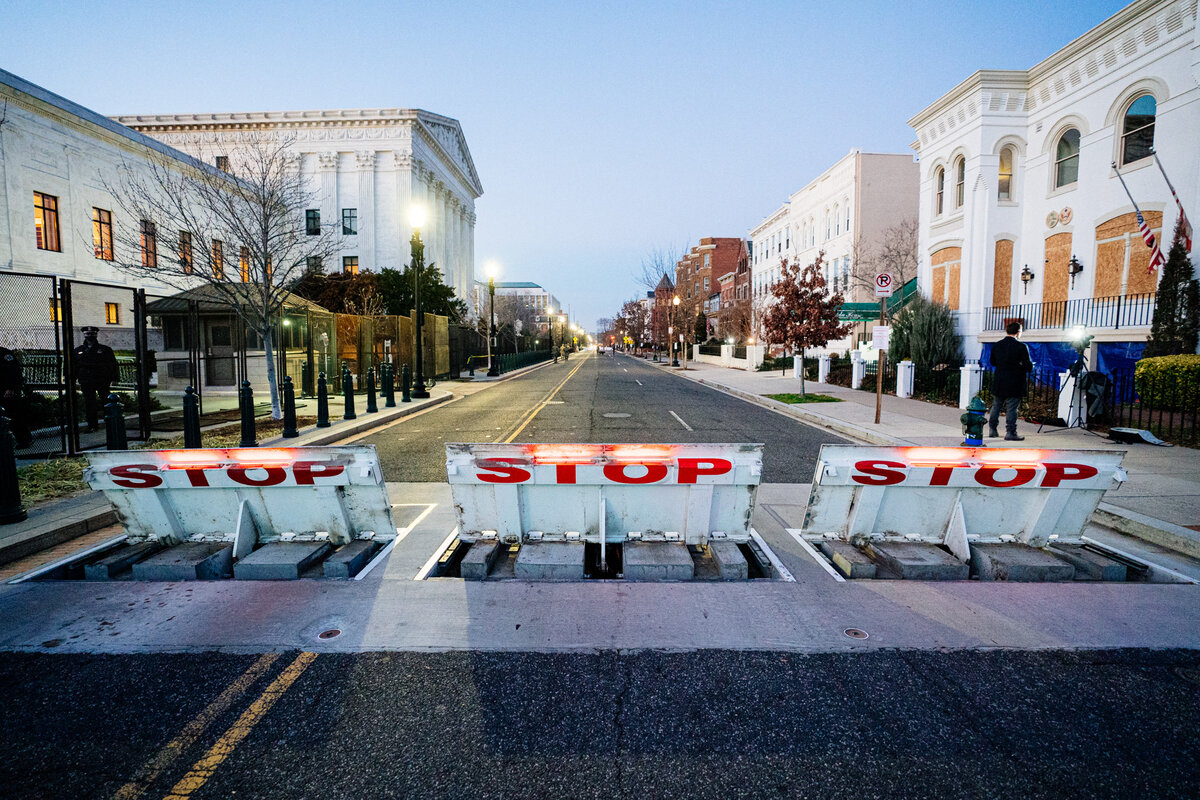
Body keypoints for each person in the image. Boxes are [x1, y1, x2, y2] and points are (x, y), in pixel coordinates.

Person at [988, 321, 1033, 441]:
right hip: (1015, 382)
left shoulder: (997, 345)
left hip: (999, 380)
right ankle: (1010, 432)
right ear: (1018, 332)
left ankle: (992, 429)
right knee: (1012, 408)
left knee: (996, 406)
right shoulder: (1021, 346)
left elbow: (992, 362)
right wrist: (1020, 366)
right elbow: (1028, 366)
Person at [73, 326, 120, 432]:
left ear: (96, 335)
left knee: (106, 401)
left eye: (92, 334)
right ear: (84, 335)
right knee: (89, 403)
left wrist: (115, 378)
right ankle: (92, 426)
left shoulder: (105, 350)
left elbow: (112, 364)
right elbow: (74, 366)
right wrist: (72, 379)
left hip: (102, 379)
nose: (90, 336)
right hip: (86, 380)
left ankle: (111, 423)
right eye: (87, 334)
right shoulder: (78, 350)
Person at [0, 346, 34, 448]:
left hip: (5, 390)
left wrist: (11, 388)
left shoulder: (4, 353)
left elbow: (14, 371)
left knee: (13, 415)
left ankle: (24, 440)